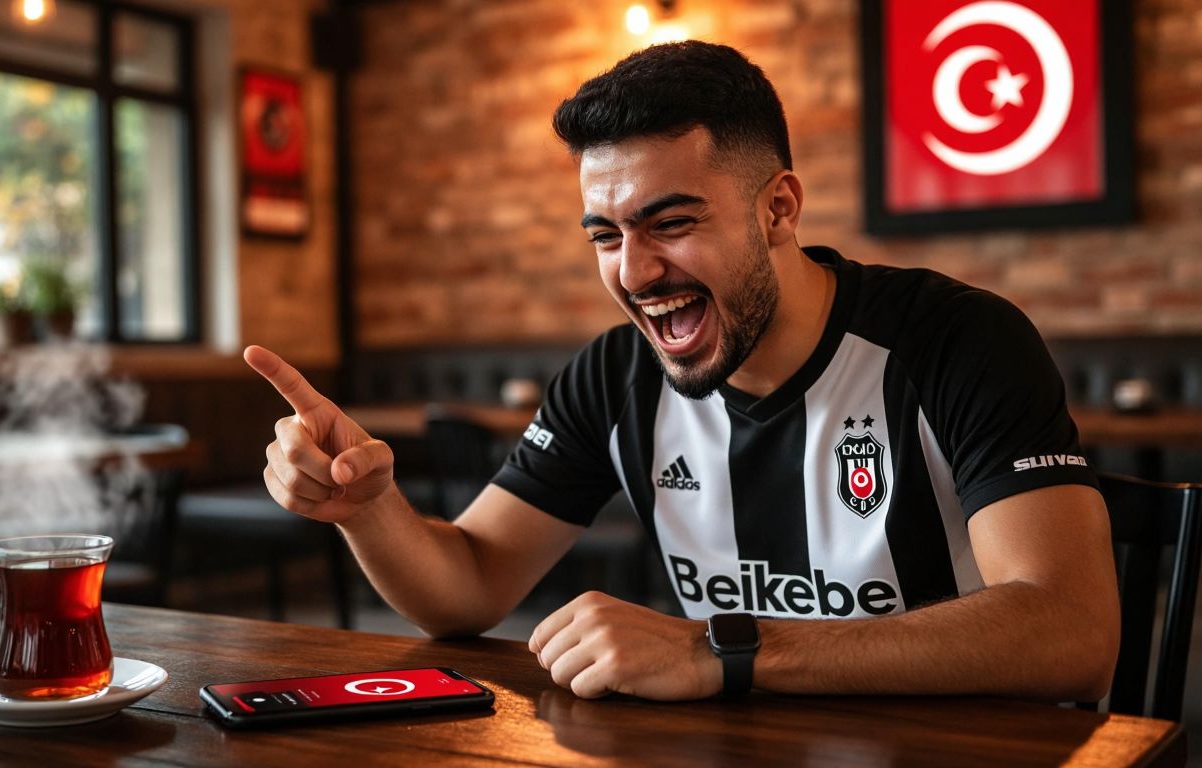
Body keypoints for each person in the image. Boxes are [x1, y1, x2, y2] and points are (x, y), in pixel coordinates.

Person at [244, 40, 1119, 703]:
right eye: (604, 234)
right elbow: (467, 585)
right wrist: (369, 510)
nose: (633, 271)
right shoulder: (614, 378)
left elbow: (1070, 627)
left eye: (670, 222)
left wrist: (717, 648)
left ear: (778, 208)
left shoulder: (955, 341)